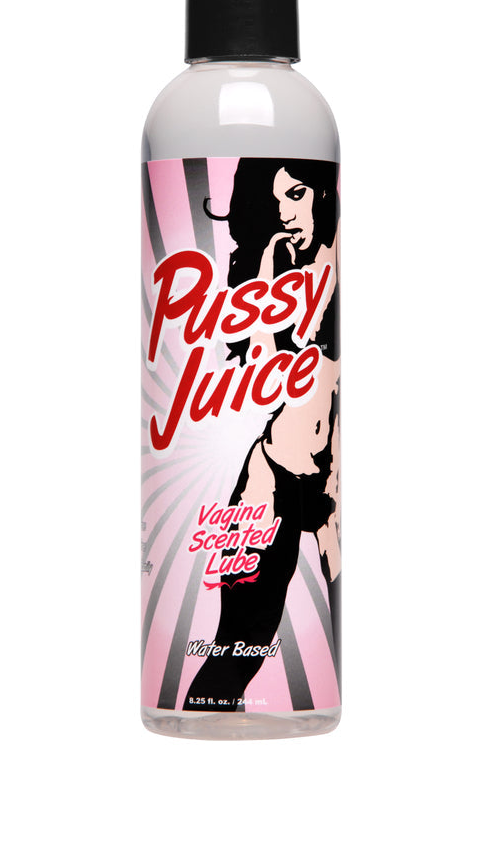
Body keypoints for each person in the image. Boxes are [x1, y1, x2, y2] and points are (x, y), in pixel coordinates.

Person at [184, 157, 340, 710]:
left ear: (322, 193)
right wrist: (268, 273)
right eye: (274, 203)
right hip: (271, 479)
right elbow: (268, 371)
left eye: (296, 194)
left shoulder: (338, 262)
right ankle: (200, 712)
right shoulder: (275, 272)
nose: (286, 214)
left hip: (329, 480)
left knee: (335, 628)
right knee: (236, 651)